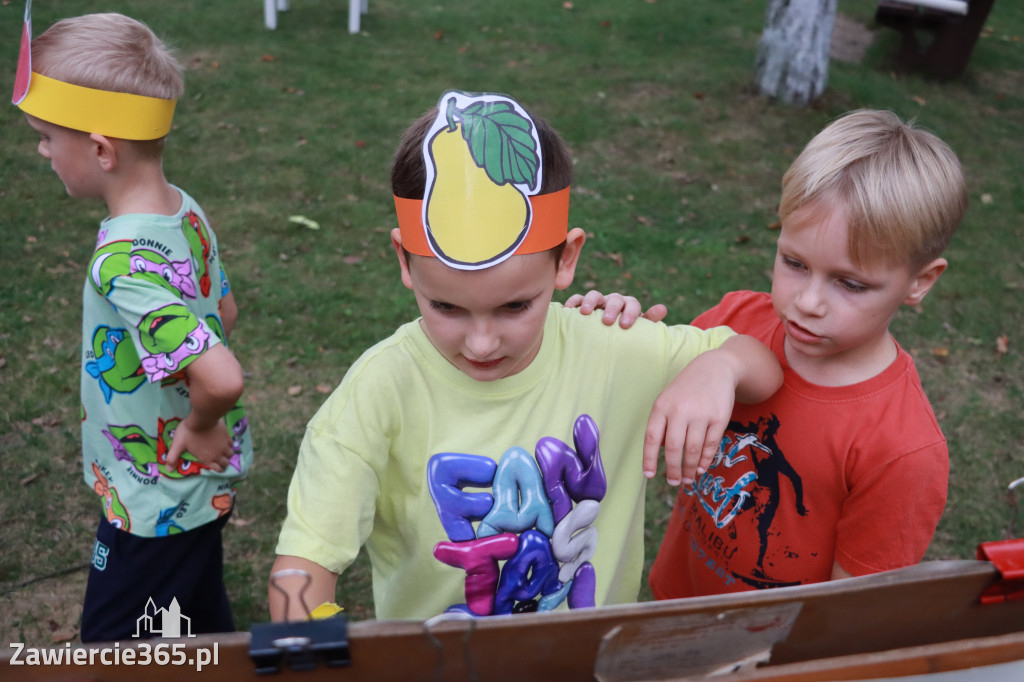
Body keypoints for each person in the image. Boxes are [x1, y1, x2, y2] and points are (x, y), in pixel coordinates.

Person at [268, 90, 782, 621]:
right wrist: (307, 647)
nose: (482, 343)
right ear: (404, 260)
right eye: (446, 306)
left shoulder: (613, 346)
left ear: (567, 259)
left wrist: (722, 365)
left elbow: (763, 368)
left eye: (516, 306)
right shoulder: (380, 390)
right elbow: (303, 564)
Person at [636, 109, 967, 596]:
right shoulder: (736, 320)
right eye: (794, 262)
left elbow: (850, 613)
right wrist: (616, 333)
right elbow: (638, 396)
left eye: (850, 284)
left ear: (920, 281)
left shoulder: (902, 452)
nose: (807, 303)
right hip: (674, 601)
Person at [15, 11, 254, 640]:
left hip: (152, 495)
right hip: (197, 492)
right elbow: (222, 314)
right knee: (194, 618)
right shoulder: (184, 210)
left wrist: (201, 424)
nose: (41, 150)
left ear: (100, 149)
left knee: (113, 649)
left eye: (46, 136)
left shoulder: (124, 263)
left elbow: (221, 374)